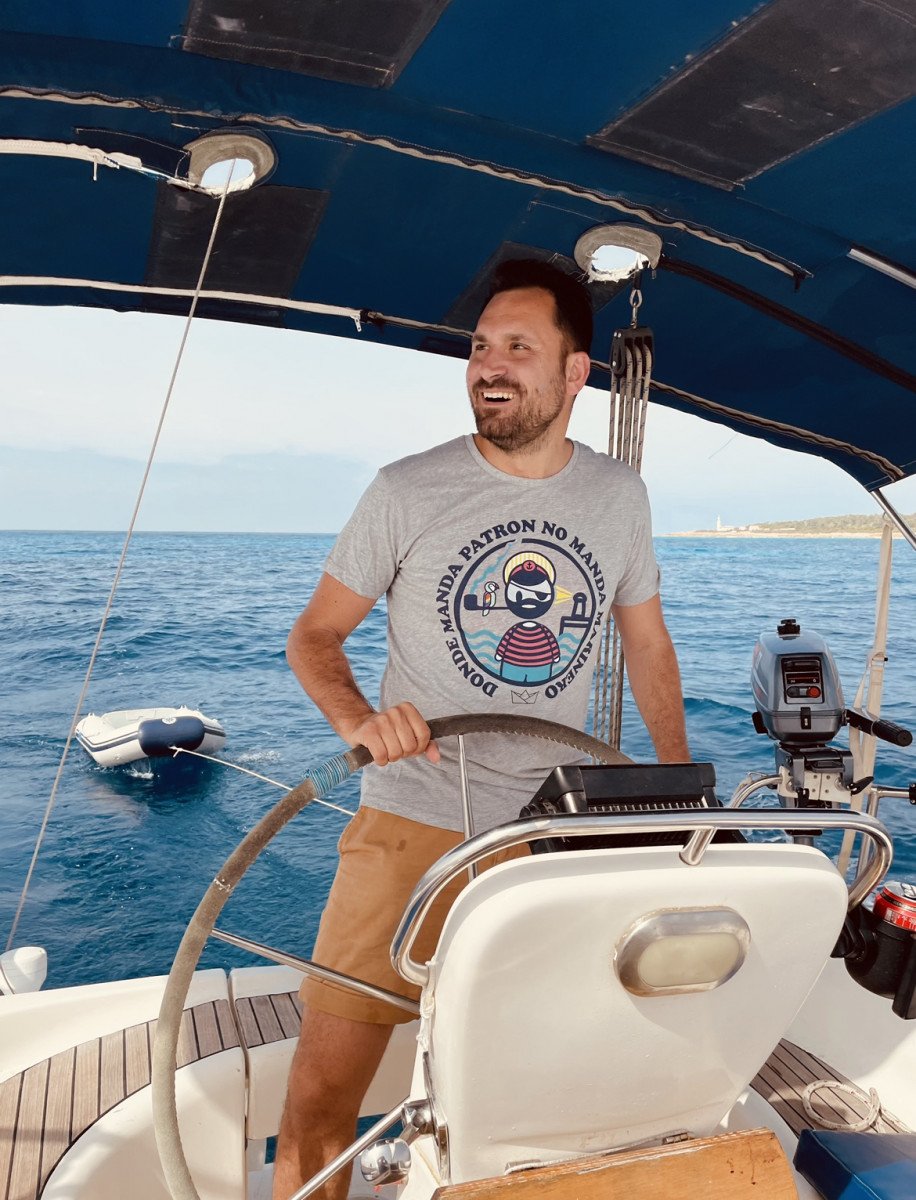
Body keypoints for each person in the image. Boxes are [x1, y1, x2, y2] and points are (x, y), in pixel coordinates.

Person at [272, 259, 690, 1198]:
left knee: (525, 1096)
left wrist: (681, 793)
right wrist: (362, 721)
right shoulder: (406, 490)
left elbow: (650, 646)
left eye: (516, 348)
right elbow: (314, 637)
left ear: (576, 373)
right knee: (318, 1092)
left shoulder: (618, 499)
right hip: (407, 825)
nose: (487, 367)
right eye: (478, 347)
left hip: (546, 840)